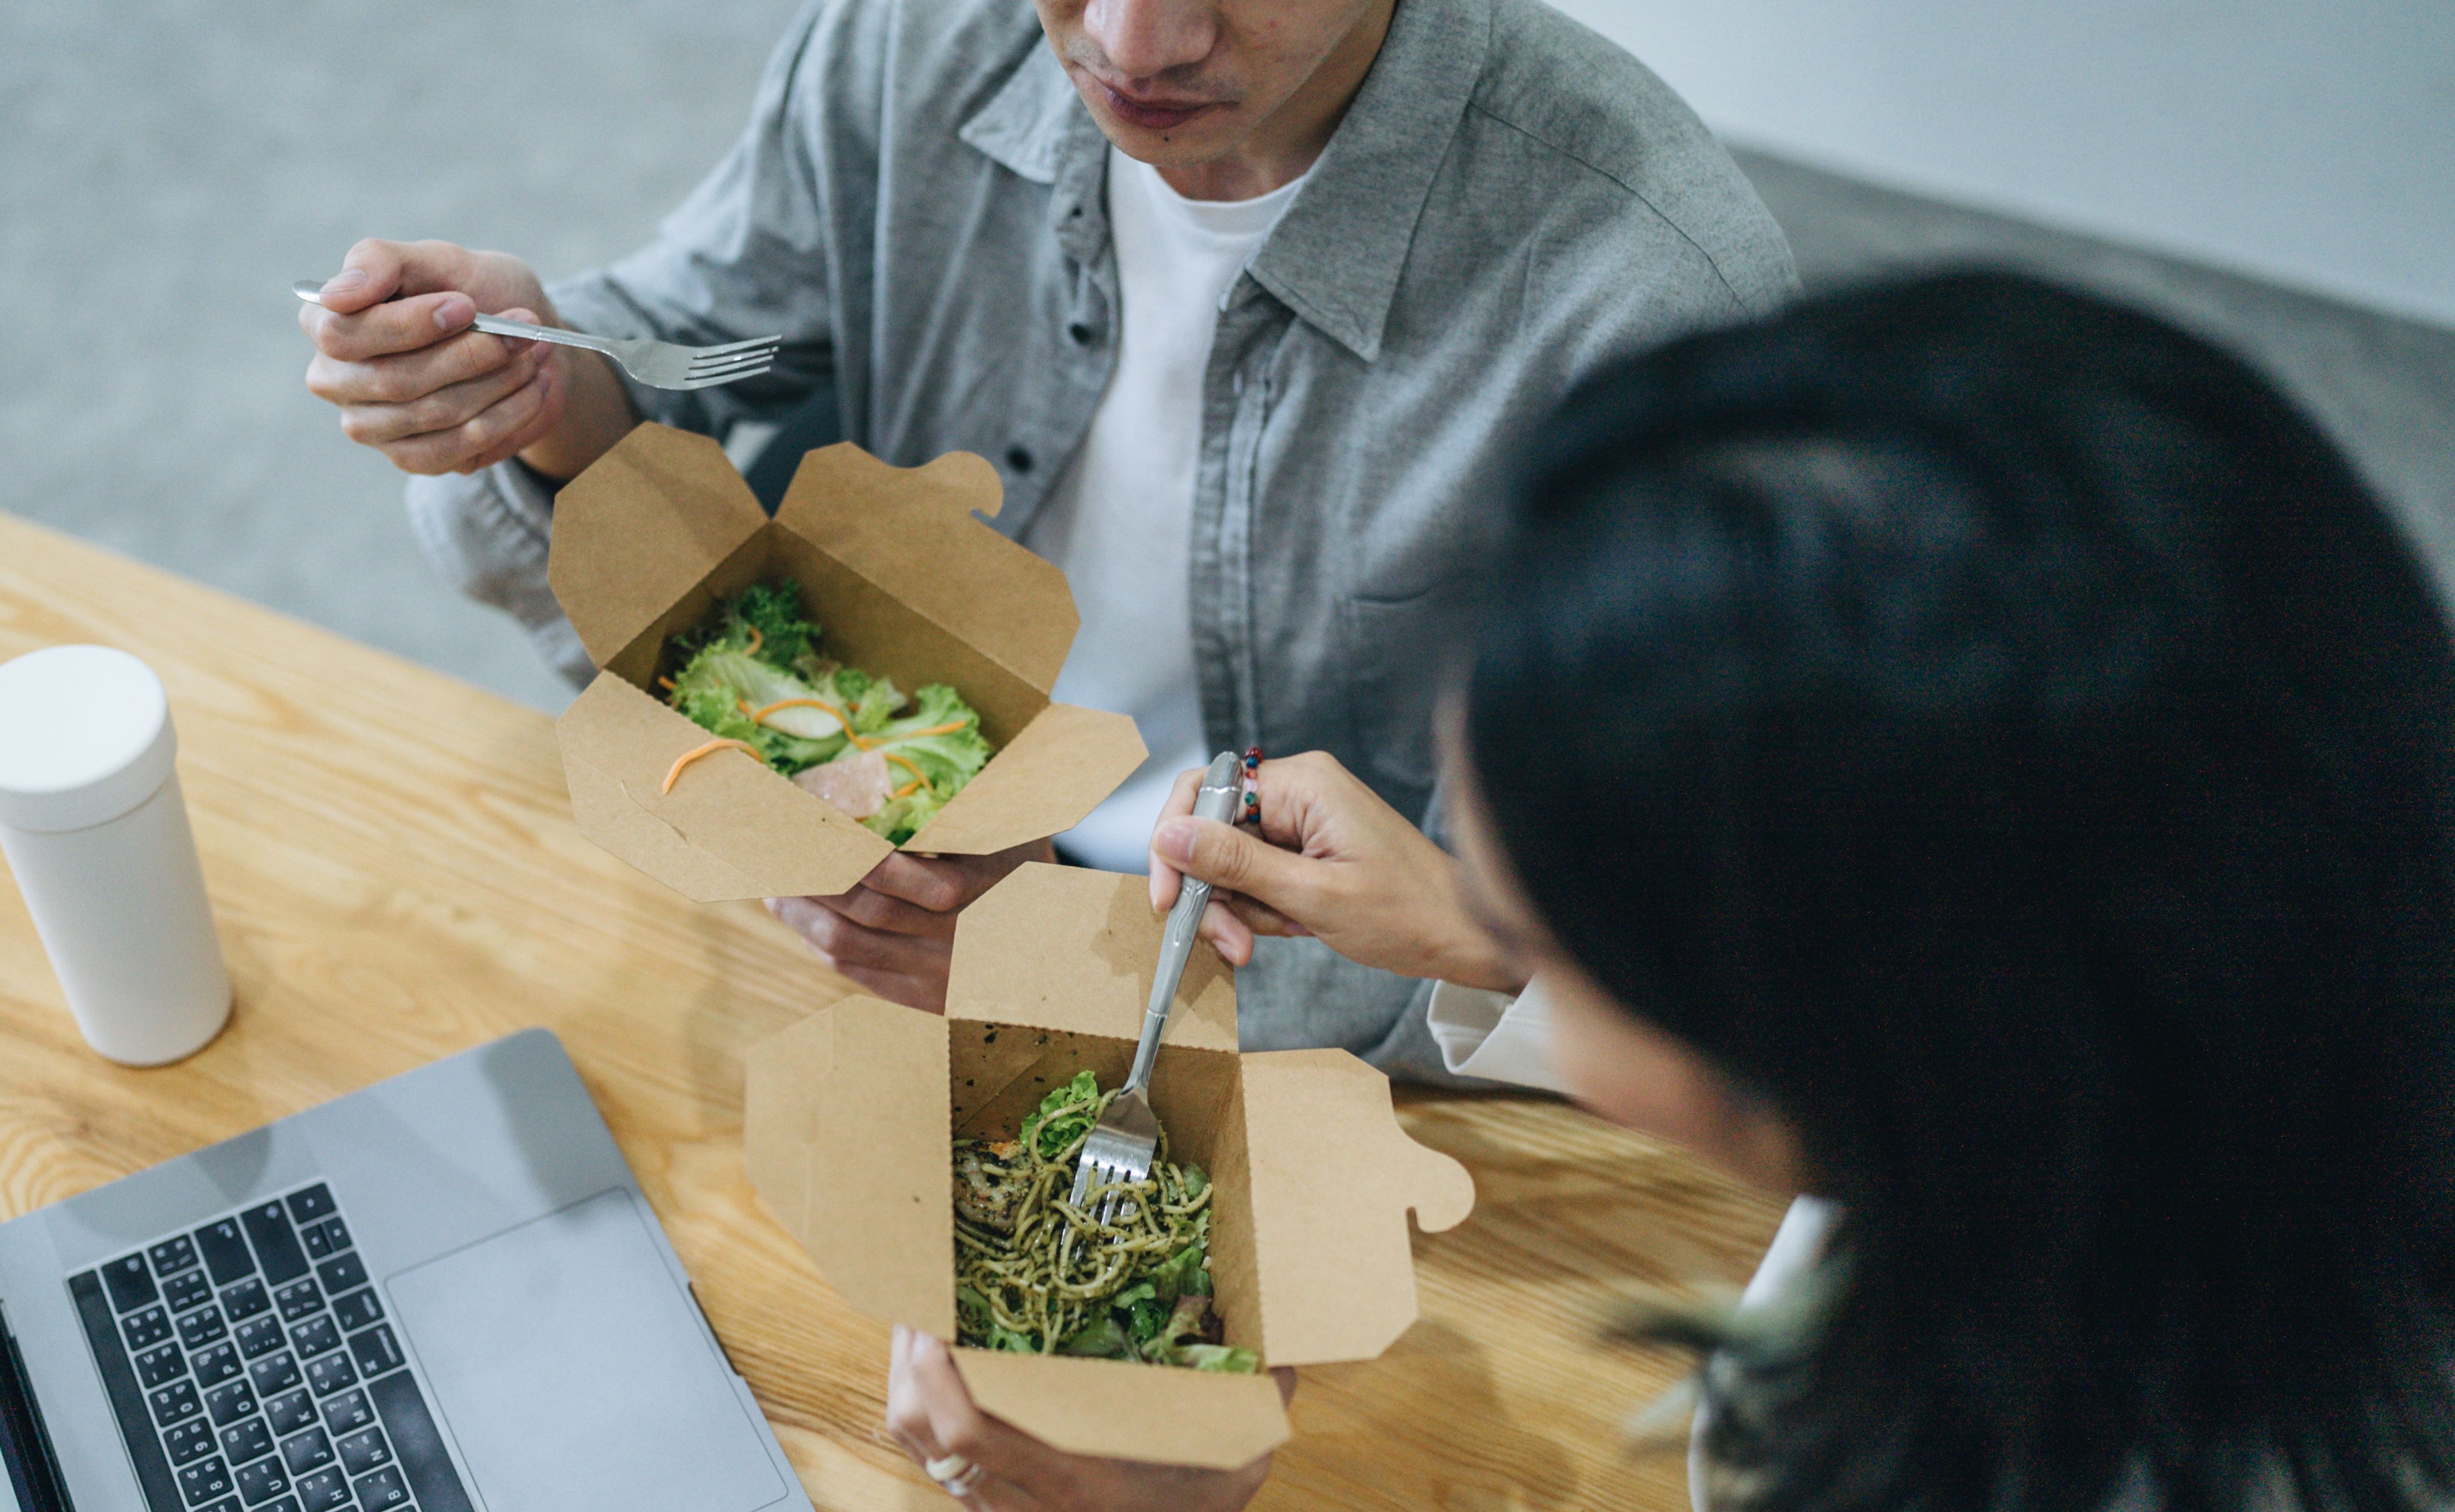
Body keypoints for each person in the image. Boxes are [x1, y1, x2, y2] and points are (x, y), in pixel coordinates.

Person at [888, 269, 2455, 1512]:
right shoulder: (2240, 1000)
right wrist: (1468, 931)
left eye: (1550, 918)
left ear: (1847, 1023)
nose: (1495, 923)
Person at [297, 0, 1793, 1079]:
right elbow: (702, 349)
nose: (1131, 47)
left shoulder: (1650, 298)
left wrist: (1104, 970)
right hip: (850, 885)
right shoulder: (913, 39)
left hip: (1252, 1017)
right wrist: (549, 386)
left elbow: (1647, 951)